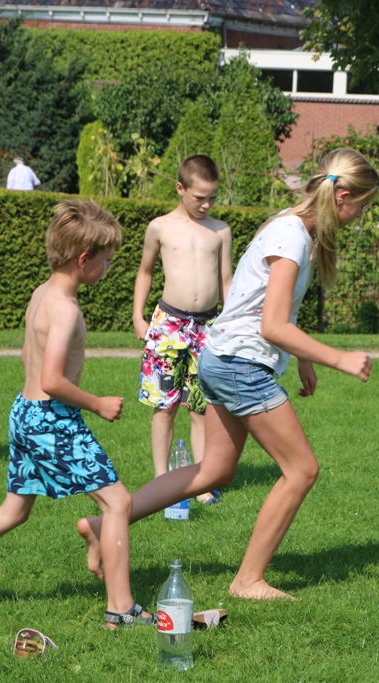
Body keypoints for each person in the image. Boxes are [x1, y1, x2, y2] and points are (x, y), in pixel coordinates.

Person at [78, 148, 379, 600]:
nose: (361, 217)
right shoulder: (293, 237)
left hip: (221, 357)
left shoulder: (290, 226)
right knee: (301, 470)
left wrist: (304, 357)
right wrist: (338, 358)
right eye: (363, 207)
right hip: (240, 365)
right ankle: (248, 580)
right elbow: (271, 325)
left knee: (215, 470)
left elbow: (270, 306)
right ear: (344, 198)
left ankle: (106, 523)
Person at [0, 200, 153, 628]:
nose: (109, 268)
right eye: (107, 260)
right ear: (84, 259)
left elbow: (27, 356)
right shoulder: (66, 308)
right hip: (51, 420)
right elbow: (52, 379)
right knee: (118, 502)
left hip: (24, 413)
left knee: (13, 511)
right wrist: (97, 403)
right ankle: (121, 609)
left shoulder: (41, 293)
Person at [133, 155, 233, 505]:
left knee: (200, 406)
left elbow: (226, 279)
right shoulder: (159, 227)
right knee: (165, 405)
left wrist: (232, 321)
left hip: (207, 327)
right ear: (180, 188)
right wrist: (138, 316)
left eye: (212, 198)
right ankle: (162, 480)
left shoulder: (220, 231)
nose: (206, 205)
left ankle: (201, 482)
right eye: (199, 197)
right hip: (168, 325)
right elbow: (145, 271)